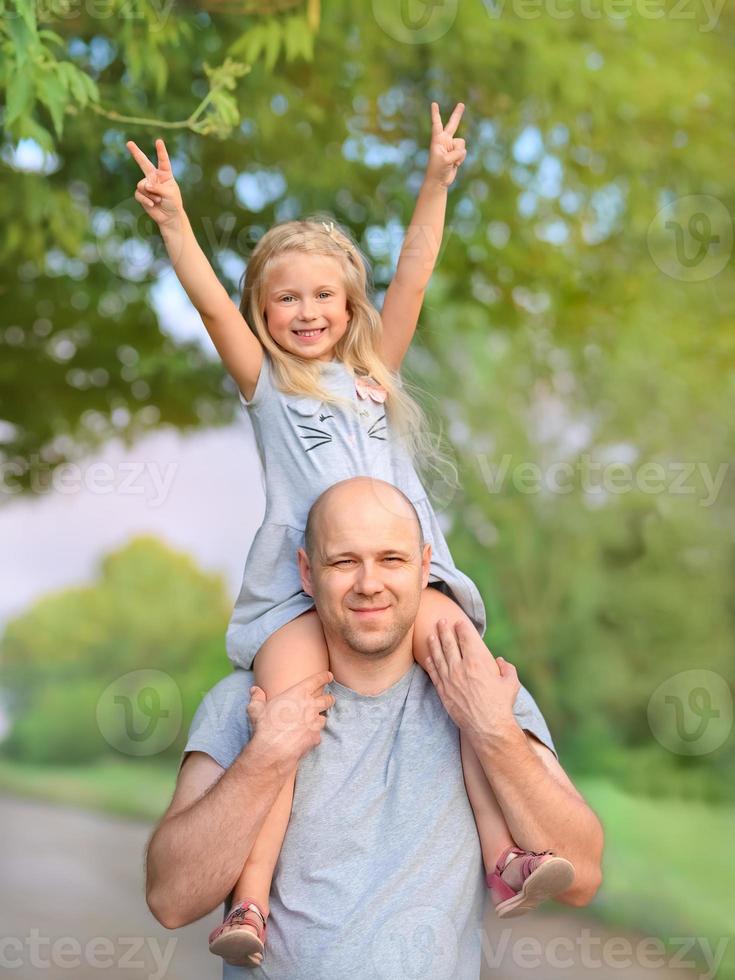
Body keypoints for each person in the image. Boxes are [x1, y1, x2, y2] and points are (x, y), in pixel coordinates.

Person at [127, 101, 577, 969]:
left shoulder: (374, 378)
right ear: (265, 311)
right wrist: (176, 221)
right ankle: (250, 901)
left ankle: (504, 855)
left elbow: (413, 275)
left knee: (472, 694)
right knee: (285, 724)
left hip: (411, 579)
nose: (305, 311)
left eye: (322, 296)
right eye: (285, 298)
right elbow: (211, 306)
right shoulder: (269, 389)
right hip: (305, 594)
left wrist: (436, 181)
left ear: (347, 305)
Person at [145, 478, 604, 979]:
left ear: (425, 567)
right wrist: (267, 754)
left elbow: (581, 877)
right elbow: (172, 900)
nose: (369, 583)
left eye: (392, 560)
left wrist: (492, 729)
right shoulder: (246, 701)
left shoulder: (482, 690)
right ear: (306, 571)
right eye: (344, 561)